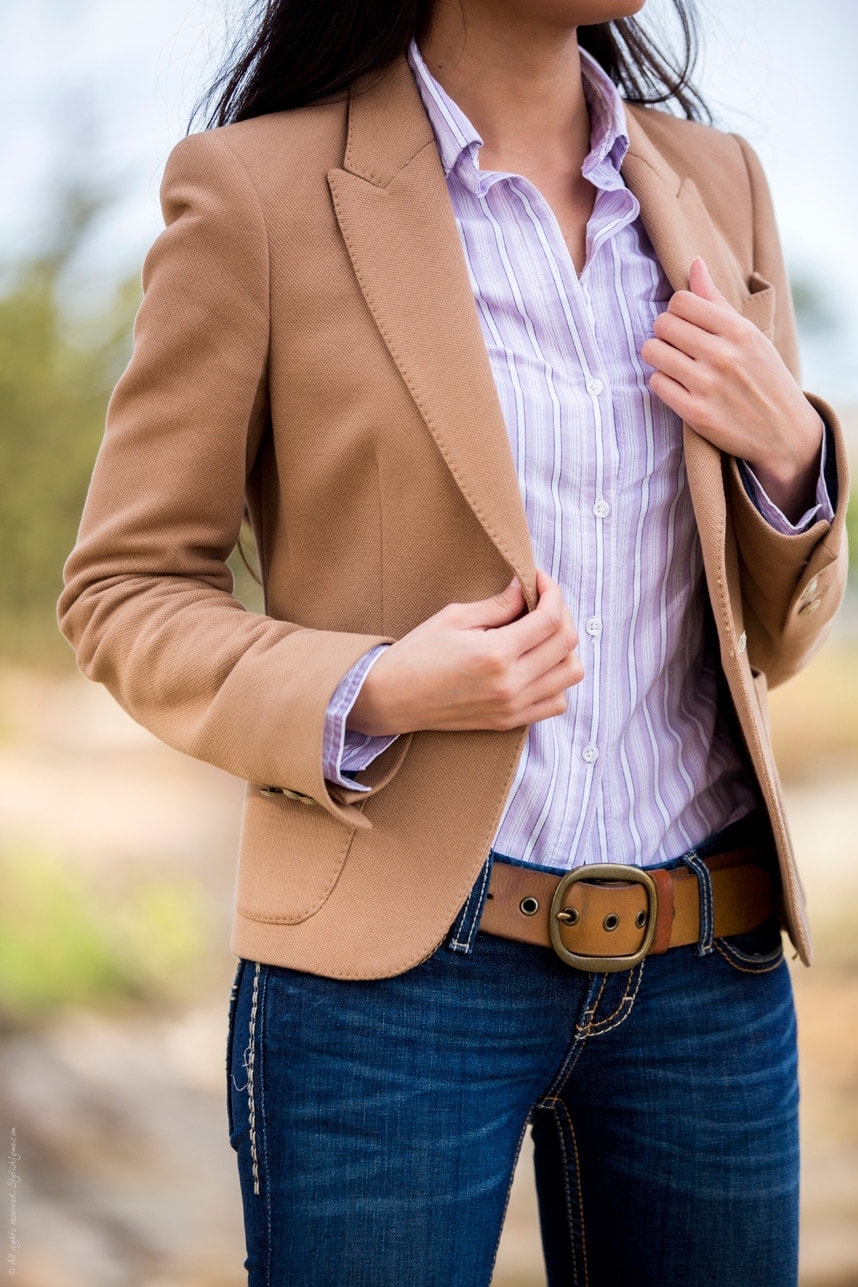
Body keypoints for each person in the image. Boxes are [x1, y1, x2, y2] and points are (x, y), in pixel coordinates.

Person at [59, 0, 849, 1282]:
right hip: (394, 988)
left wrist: (794, 456)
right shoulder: (258, 192)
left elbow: (775, 638)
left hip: (711, 969)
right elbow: (124, 588)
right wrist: (372, 688)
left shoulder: (719, 185)